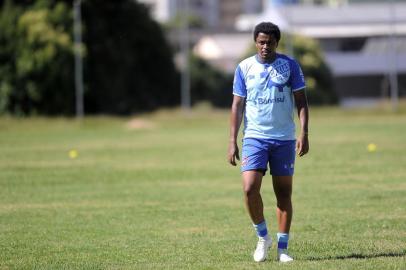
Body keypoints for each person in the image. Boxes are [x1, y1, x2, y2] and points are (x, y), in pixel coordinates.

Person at [227, 22, 309, 263]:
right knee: (249, 188)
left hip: (284, 139)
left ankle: (283, 249)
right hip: (254, 137)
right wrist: (232, 140)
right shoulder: (244, 67)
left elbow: (302, 102)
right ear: (256, 42)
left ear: (277, 43)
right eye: (261, 42)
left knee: (283, 193)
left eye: (269, 42)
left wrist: (304, 133)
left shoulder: (290, 66)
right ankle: (263, 237)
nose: (265, 46)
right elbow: (237, 105)